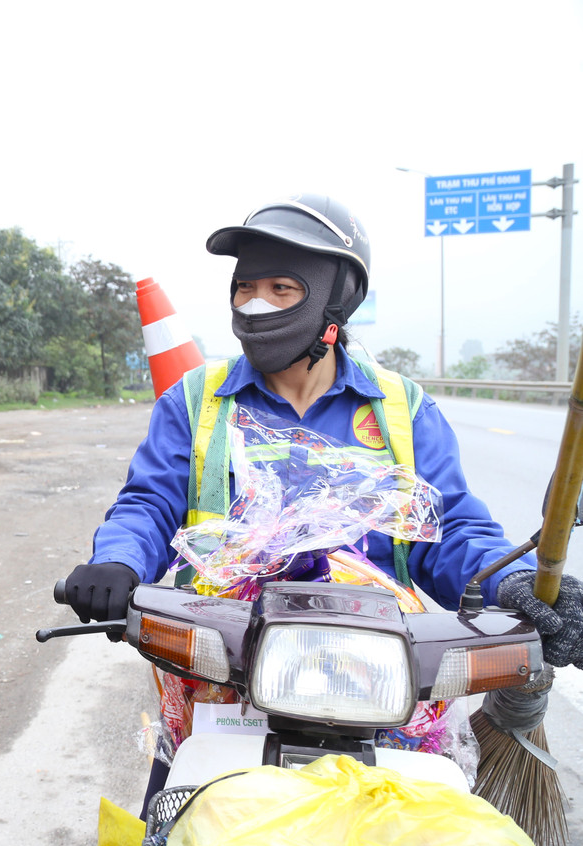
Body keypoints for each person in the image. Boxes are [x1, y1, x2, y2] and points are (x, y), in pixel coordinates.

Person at [62, 193, 583, 798]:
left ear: (338, 300)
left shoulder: (402, 410)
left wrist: (508, 583)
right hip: (227, 669)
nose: (255, 305)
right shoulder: (196, 400)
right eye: (245, 289)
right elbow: (148, 504)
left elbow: (453, 528)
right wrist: (117, 561)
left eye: (282, 288)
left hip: (380, 682)